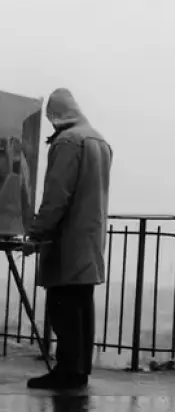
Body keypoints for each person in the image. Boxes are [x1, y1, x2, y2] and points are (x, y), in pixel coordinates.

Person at [24, 89, 112, 390]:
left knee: (62, 306)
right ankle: (78, 370)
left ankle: (66, 370)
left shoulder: (68, 142)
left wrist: (37, 232)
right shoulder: (98, 139)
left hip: (68, 238)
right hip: (90, 236)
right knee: (81, 306)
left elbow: (56, 195)